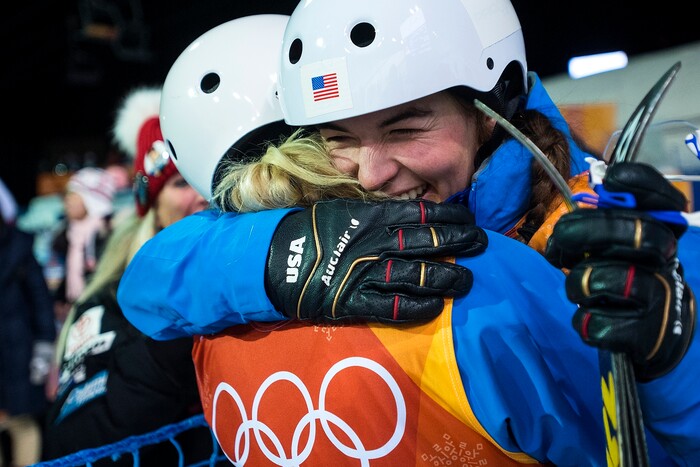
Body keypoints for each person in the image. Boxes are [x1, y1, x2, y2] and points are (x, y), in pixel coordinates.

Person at [116, 0, 602, 338]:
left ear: (491, 109)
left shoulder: (600, 222)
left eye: (405, 129)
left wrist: (673, 362)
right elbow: (148, 282)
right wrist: (278, 254)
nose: (370, 176)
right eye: (339, 137)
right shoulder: (343, 219)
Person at [41, 86, 214, 465]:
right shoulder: (109, 293)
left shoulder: (246, 267)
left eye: (203, 177)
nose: (200, 195)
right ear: (151, 205)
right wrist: (175, 314)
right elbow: (78, 433)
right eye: (181, 183)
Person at [0, 202, 56, 467]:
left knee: (23, 422)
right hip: (15, 347)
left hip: (18, 351)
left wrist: (44, 347)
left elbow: (40, 300)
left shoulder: (18, 248)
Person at [48, 167, 116, 328]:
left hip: (102, 313)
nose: (67, 201)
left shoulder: (106, 234)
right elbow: (69, 273)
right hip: (76, 312)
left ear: (91, 199)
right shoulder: (68, 235)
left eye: (73, 195)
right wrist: (61, 300)